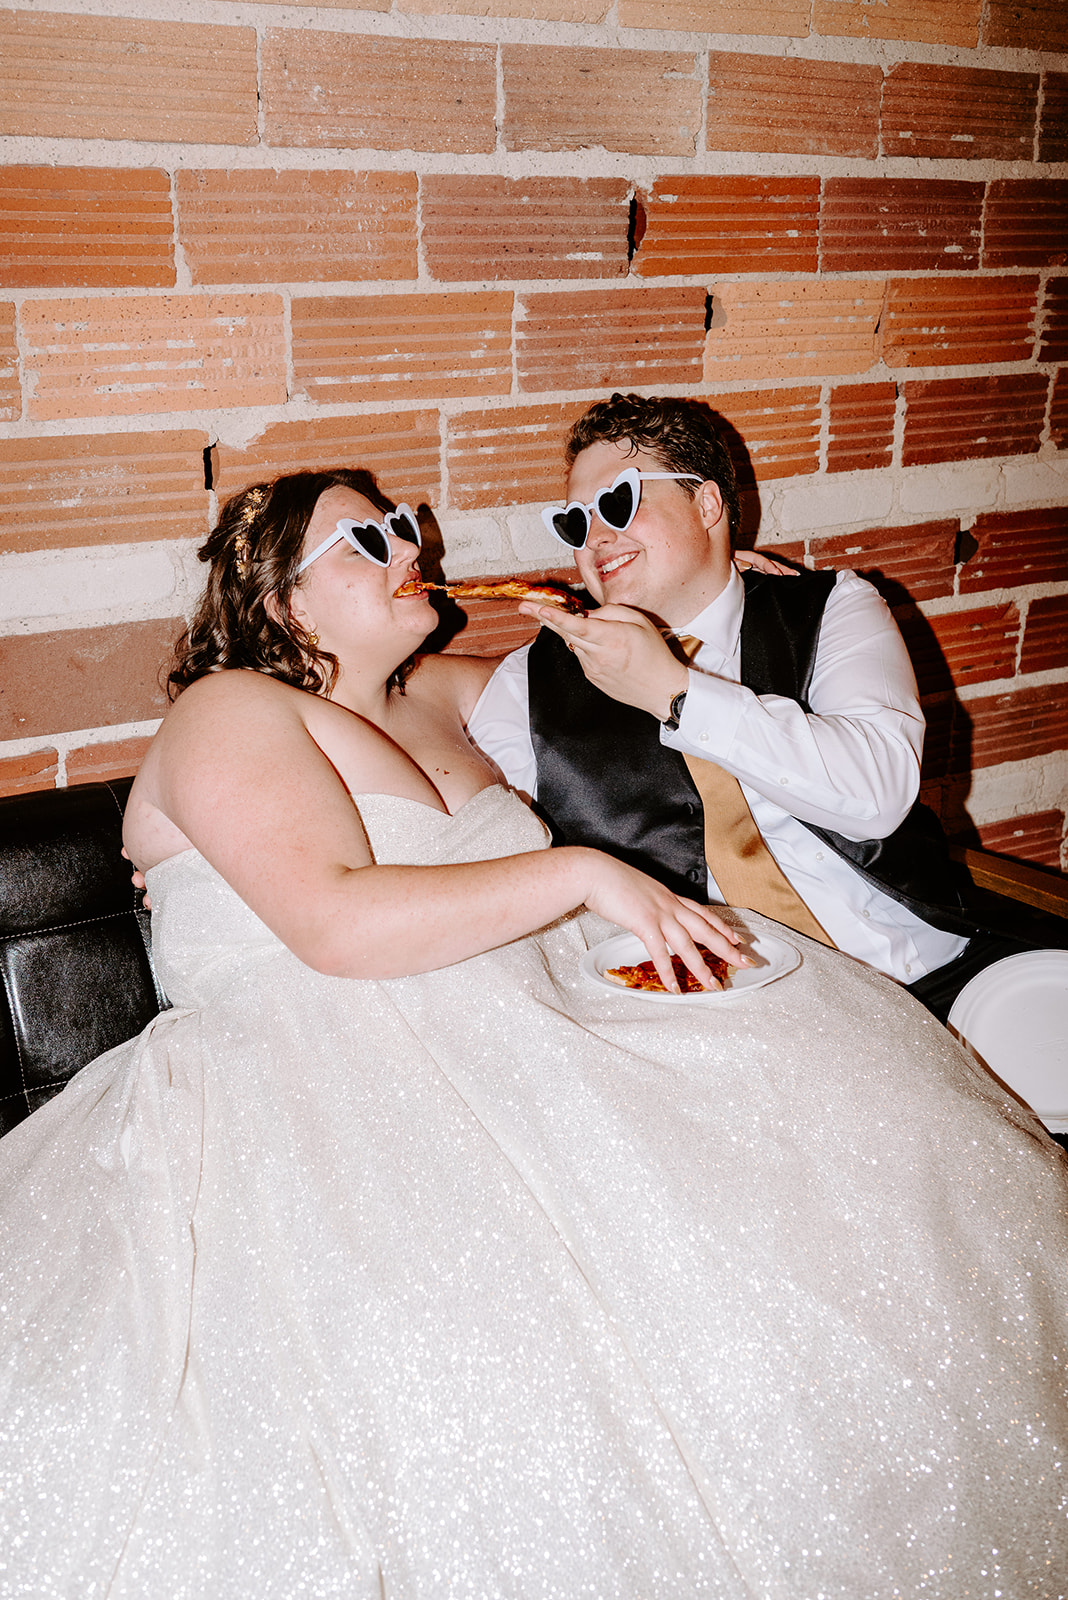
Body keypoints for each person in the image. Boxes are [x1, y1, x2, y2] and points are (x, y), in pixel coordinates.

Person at [1, 467, 1066, 1599]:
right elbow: (334, 920)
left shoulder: (451, 694)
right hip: (323, 1098)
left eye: (402, 522)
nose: (410, 542)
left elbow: (617, 665)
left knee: (865, 1172)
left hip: (539, 1040)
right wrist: (584, 870)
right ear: (283, 603)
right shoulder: (232, 709)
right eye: (367, 538)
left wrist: (721, 587)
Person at [469, 391, 1040, 1023]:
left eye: (618, 502)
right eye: (575, 522)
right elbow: (503, 871)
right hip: (713, 1016)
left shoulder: (834, 608)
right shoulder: (528, 682)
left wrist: (677, 692)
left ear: (707, 503)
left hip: (924, 978)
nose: (595, 538)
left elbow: (879, 794)